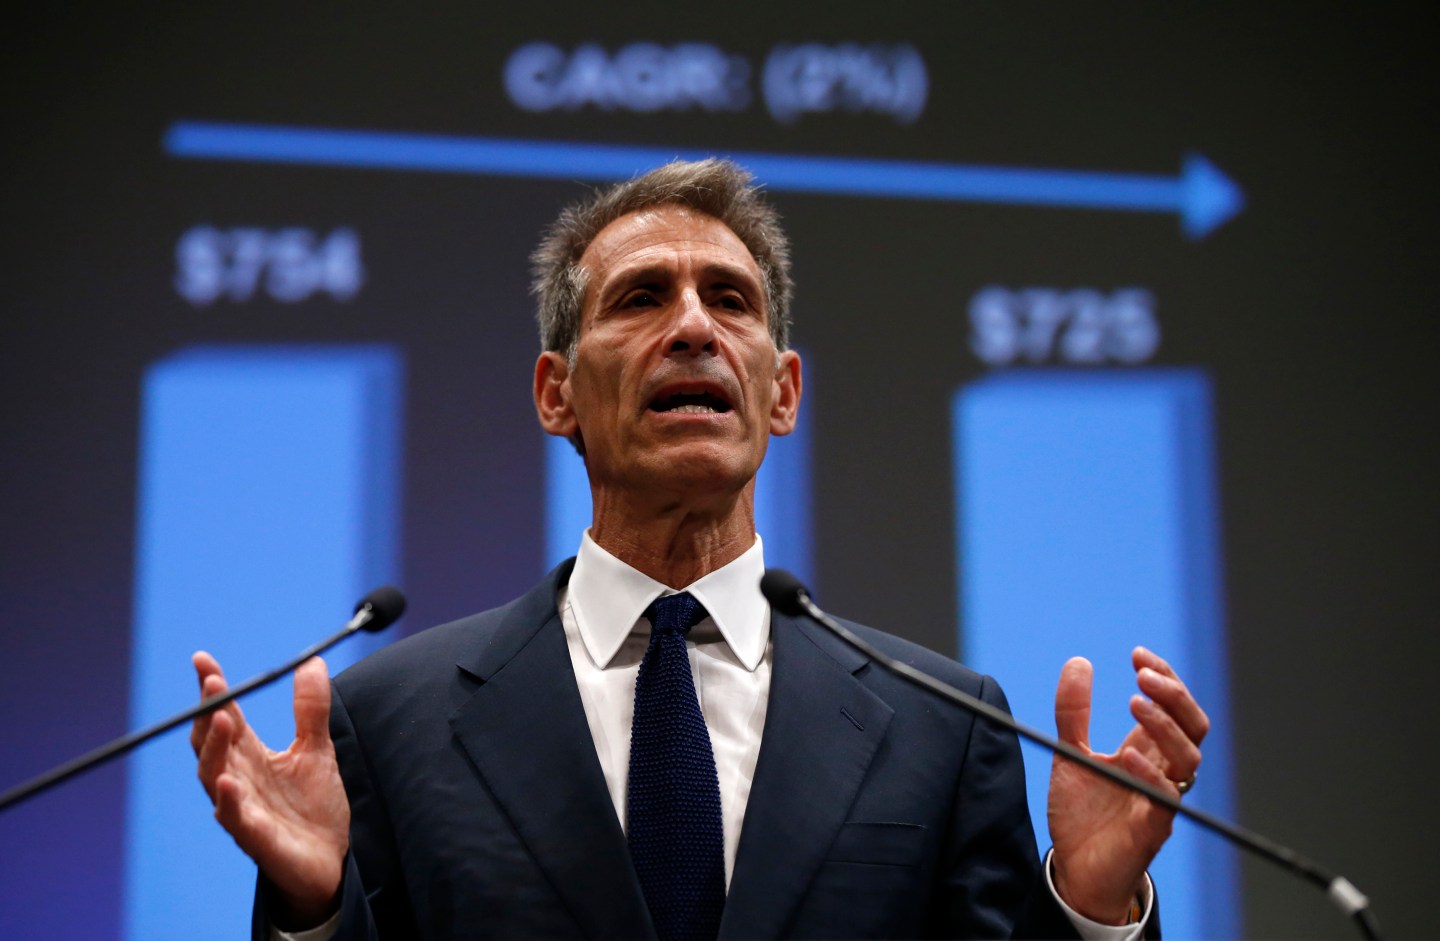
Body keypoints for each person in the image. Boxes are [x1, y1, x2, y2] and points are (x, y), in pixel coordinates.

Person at [191, 159, 1208, 940]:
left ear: (782, 392)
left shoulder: (941, 726)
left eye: (730, 299)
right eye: (640, 298)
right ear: (556, 394)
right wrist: (314, 910)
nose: (692, 327)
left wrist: (1092, 900)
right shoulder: (392, 719)